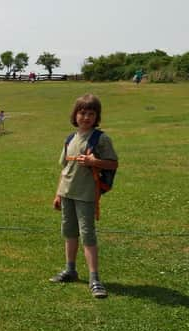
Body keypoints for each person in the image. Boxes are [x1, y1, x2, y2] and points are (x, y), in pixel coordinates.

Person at [50, 94, 119, 299]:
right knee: (69, 232)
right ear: (75, 115)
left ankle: (94, 278)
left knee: (87, 234)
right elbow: (65, 169)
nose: (86, 117)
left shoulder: (101, 138)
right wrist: (58, 194)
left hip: (86, 194)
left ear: (96, 116)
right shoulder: (70, 139)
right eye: (82, 113)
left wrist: (94, 161)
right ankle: (70, 270)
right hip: (67, 193)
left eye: (91, 113)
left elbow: (113, 164)